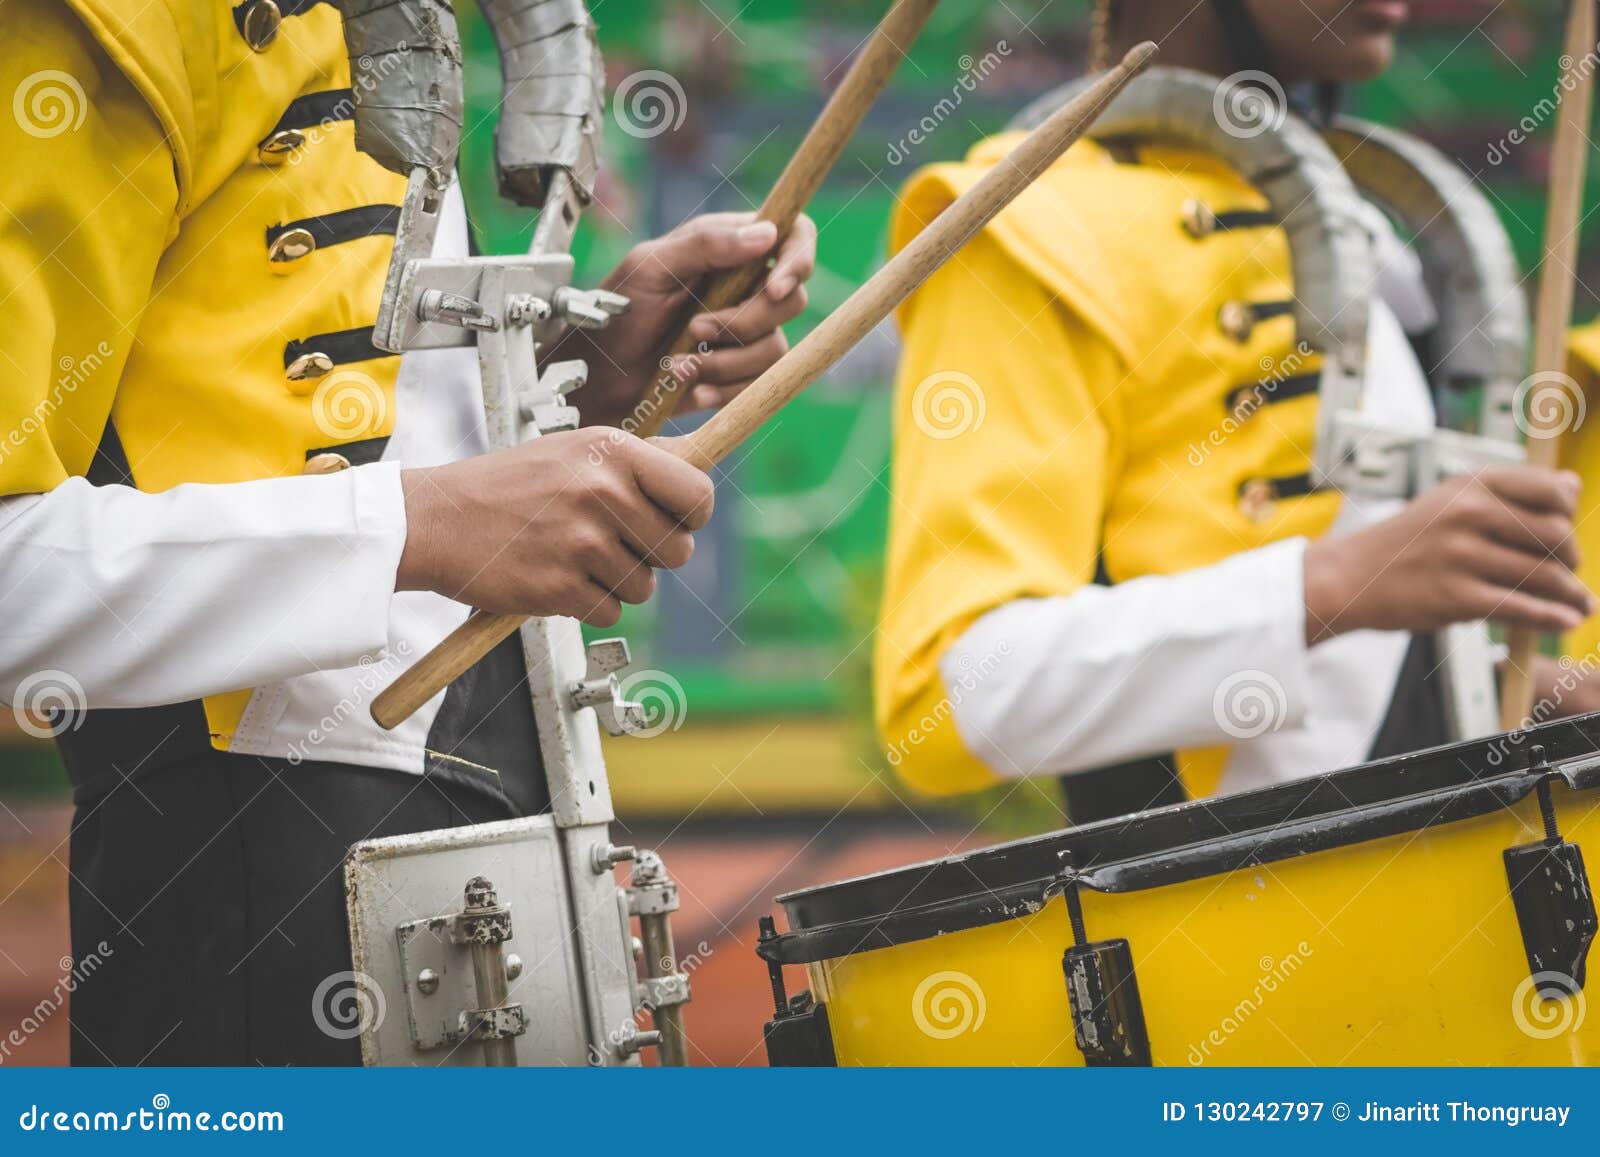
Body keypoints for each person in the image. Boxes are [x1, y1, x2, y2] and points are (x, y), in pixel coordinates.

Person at [0, 0, 815, 1063]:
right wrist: (414, 526)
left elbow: (394, 436)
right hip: (244, 910)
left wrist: (583, 382)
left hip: (508, 818)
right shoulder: (91, 27)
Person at [875, 0, 1599, 819]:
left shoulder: (1375, 240)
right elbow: (947, 697)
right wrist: (1329, 586)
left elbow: (1346, 693)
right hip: (1213, 932)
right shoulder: (1028, 232)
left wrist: (1501, 691)